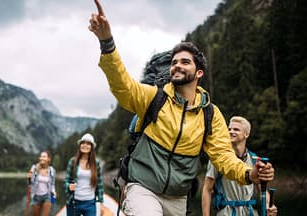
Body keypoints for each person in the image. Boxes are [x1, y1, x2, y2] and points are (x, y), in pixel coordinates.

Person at [88, 1, 275, 215]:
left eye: (185, 62)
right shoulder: (153, 97)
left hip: (178, 197)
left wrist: (249, 174)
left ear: (199, 73)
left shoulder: (210, 114)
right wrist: (107, 42)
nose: (177, 65)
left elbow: (224, 157)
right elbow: (123, 85)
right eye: (174, 62)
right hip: (142, 188)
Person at [202, 116, 278, 216]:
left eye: (236, 129)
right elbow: (207, 189)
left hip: (250, 212)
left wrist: (269, 205)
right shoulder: (218, 158)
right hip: (226, 212)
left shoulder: (255, 160)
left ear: (246, 134)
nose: (231, 131)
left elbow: (262, 190)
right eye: (229, 129)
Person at [64, 133, 104, 216]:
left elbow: (99, 184)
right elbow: (66, 182)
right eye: (83, 143)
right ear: (80, 145)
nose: (85, 145)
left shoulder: (96, 163)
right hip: (74, 202)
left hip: (90, 203)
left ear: (92, 147)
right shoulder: (72, 161)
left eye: (88, 143)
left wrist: (101, 203)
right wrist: (68, 186)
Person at [27, 150, 57, 216]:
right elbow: (29, 184)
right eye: (41, 156)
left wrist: (54, 191)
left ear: (49, 159)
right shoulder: (34, 168)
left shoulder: (52, 170)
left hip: (47, 196)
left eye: (44, 156)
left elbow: (52, 184)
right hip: (35, 196)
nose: (41, 158)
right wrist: (30, 176)